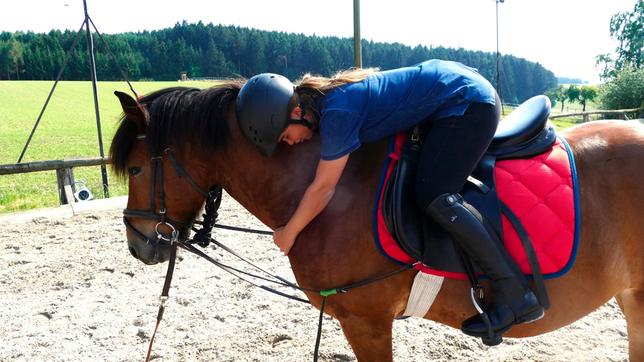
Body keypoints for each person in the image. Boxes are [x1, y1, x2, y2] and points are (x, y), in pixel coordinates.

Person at [235, 59, 544, 339]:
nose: (289, 143)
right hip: (452, 97)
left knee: (434, 194)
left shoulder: (338, 112)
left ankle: (515, 293)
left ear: (298, 113)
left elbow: (323, 187)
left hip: (469, 103)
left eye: (284, 136)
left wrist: (289, 233)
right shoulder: (328, 105)